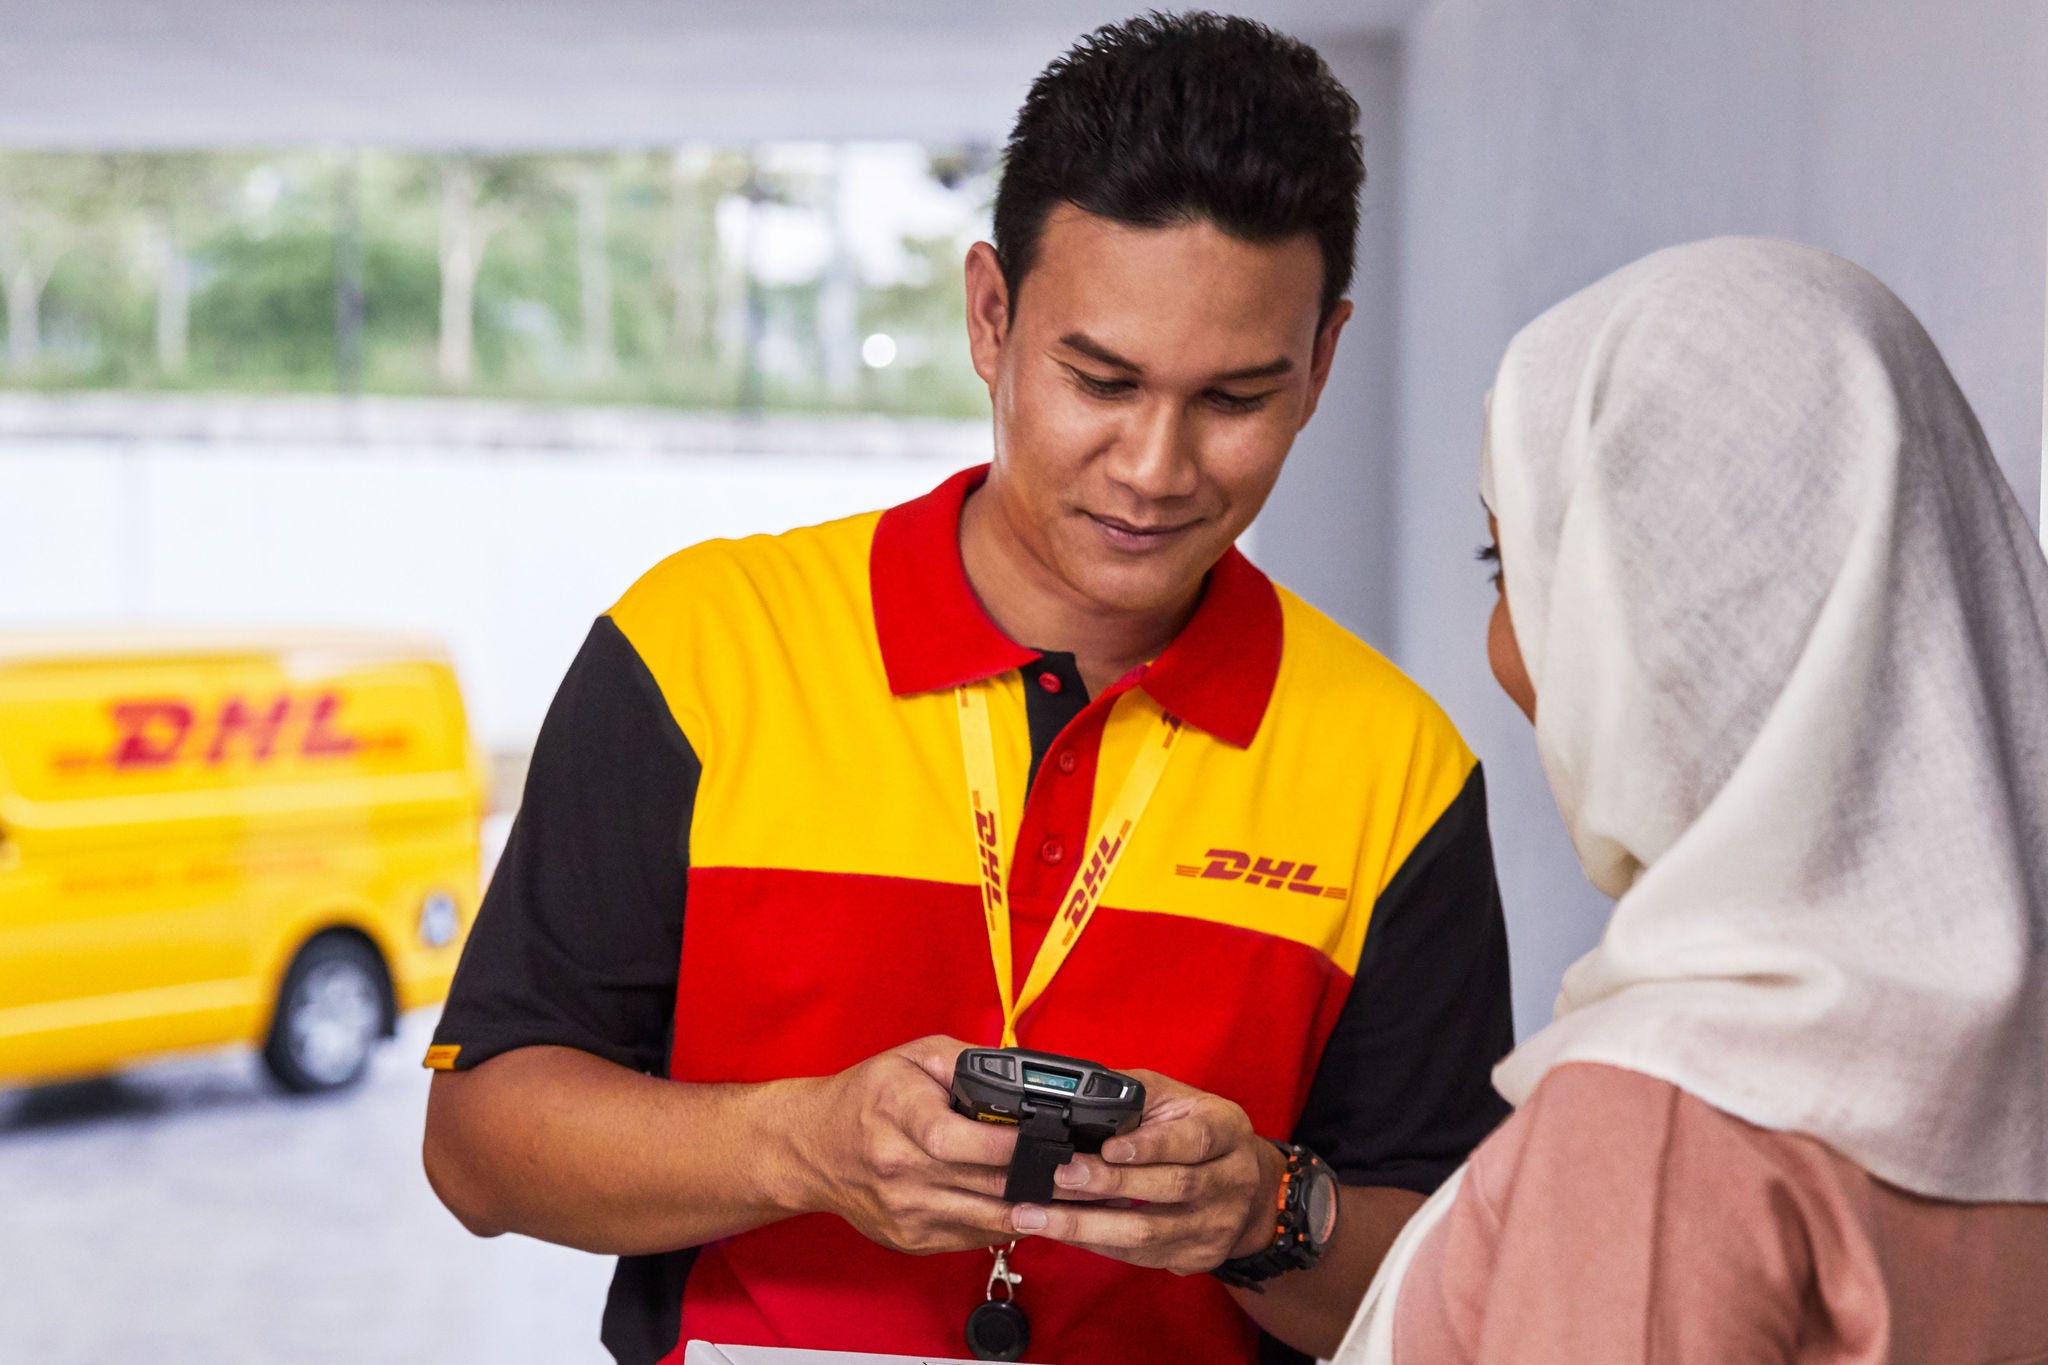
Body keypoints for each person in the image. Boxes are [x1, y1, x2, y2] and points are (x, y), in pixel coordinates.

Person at [420, 13, 1515, 1364]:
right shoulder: (701, 648)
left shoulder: (1394, 765)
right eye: (1099, 379)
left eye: (1235, 397)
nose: (1156, 467)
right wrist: (799, 1143)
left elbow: (1469, 1295)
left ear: (1322, 364)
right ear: (990, 318)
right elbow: (478, 1148)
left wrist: (1265, 1213)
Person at [1336, 237, 2048, 1364]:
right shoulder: (2005, 1057)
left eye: (1510, 567)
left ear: (1663, 611)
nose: (1505, 644)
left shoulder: (1665, 1122)